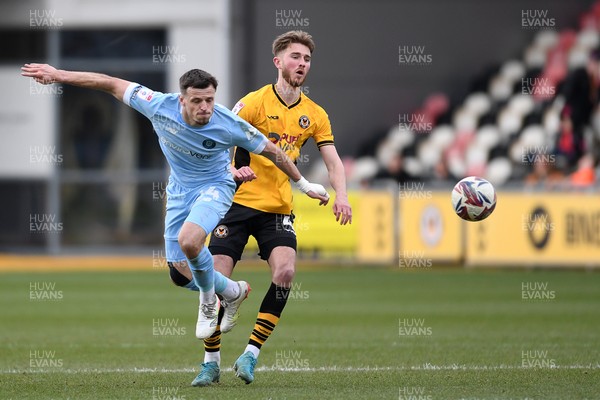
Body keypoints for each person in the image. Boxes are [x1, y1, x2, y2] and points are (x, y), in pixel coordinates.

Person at [20, 63, 330, 344]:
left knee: (190, 241)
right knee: (180, 273)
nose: (205, 107)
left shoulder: (228, 123)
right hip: (180, 191)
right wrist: (58, 75)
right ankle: (233, 291)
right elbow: (109, 82)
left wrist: (303, 184)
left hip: (216, 186)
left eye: (209, 100)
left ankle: (210, 303)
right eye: (197, 101)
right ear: (181, 100)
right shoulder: (157, 105)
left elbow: (273, 152)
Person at [186, 30, 353, 386]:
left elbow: (334, 161)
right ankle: (211, 361)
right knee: (216, 279)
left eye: (307, 59)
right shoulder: (253, 103)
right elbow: (217, 140)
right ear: (278, 62)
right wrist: (231, 170)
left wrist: (342, 195)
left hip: (277, 209)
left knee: (286, 272)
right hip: (235, 204)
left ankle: (250, 355)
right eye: (295, 57)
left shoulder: (315, 114)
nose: (302, 64)